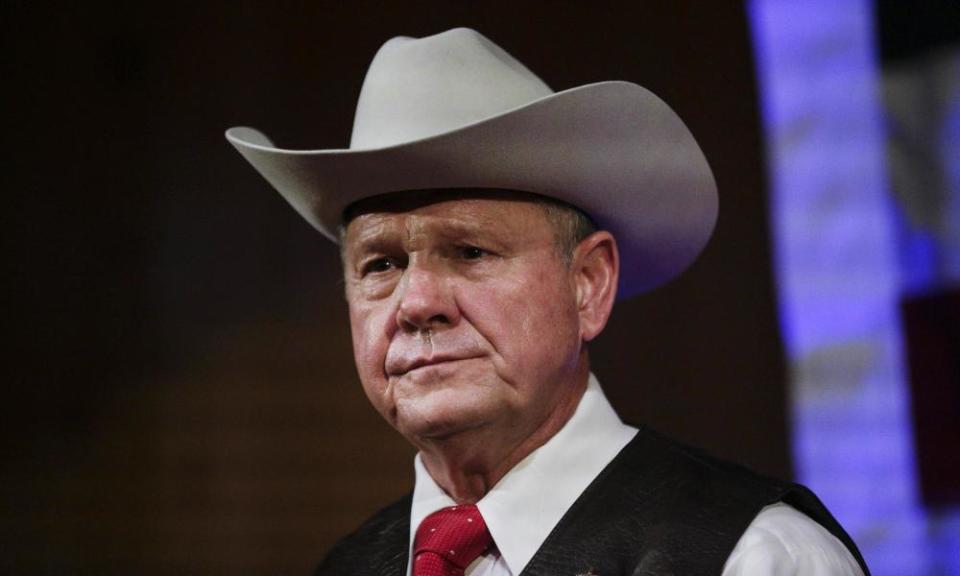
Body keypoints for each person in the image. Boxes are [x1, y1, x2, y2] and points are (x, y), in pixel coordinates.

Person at [226, 28, 869, 576]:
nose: (417, 301)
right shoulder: (347, 567)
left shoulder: (752, 557)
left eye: (471, 251)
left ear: (588, 284)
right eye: (381, 264)